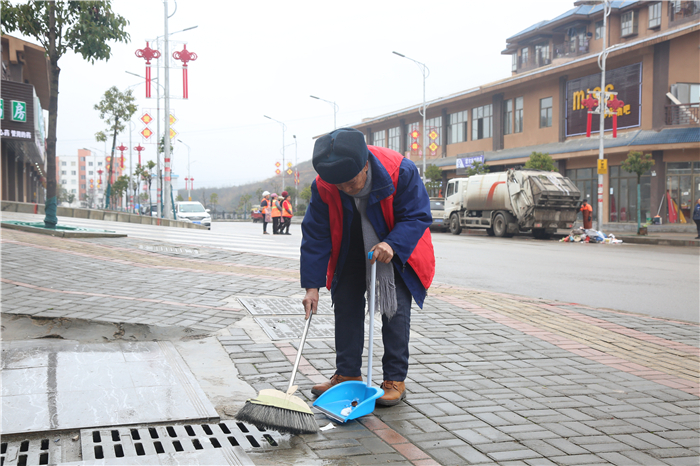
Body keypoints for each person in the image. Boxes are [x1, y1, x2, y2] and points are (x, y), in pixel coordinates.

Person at [301, 128, 435, 407]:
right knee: (346, 303)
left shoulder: (400, 170)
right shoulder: (325, 184)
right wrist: (311, 288)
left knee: (394, 309)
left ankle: (394, 379)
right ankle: (347, 375)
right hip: (349, 245)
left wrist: (393, 243)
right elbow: (316, 235)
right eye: (340, 186)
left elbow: (418, 215)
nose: (346, 190)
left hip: (394, 247)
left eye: (351, 183)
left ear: (365, 166)